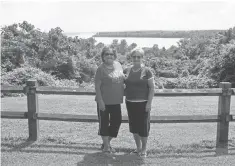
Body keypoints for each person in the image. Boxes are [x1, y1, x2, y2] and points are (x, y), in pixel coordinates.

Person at [124, 48, 155, 158]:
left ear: (142, 58)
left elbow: (151, 88)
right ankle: (138, 148)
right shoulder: (126, 70)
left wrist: (149, 104)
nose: (136, 58)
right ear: (131, 57)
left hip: (143, 103)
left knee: (143, 127)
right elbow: (121, 85)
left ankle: (144, 149)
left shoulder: (147, 71)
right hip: (130, 103)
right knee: (134, 127)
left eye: (139, 56)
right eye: (134, 56)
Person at [94, 46, 125, 153]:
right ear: (103, 56)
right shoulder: (100, 69)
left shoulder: (118, 65)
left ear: (115, 56)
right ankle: (107, 147)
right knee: (104, 123)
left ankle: (106, 142)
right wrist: (100, 101)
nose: (109, 56)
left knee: (117, 121)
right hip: (104, 101)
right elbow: (97, 87)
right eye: (106, 54)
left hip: (116, 101)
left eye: (111, 54)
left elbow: (122, 78)